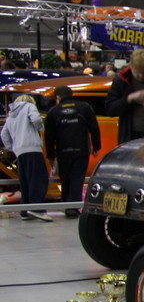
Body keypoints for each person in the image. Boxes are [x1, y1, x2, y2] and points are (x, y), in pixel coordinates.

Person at [43, 85, 100, 216]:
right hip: (81, 150)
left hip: (63, 151)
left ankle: (67, 204)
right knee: (77, 178)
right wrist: (96, 146)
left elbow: (49, 135)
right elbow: (94, 128)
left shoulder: (53, 111)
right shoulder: (84, 107)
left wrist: (51, 155)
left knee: (65, 178)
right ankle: (73, 207)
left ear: (58, 97)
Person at [2, 92, 49, 220]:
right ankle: (37, 209)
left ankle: (25, 210)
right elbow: (36, 120)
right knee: (38, 179)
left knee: (25, 182)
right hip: (32, 148)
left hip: (19, 151)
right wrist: (40, 128)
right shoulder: (29, 107)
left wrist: (12, 148)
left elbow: (4, 134)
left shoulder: (11, 115)